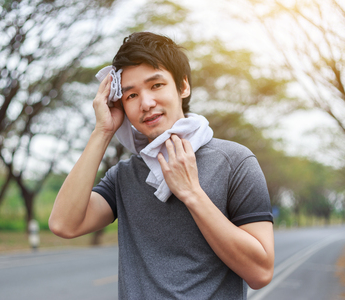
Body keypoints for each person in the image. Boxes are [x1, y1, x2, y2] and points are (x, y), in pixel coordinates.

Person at [49, 32, 274, 299]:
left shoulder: (236, 162)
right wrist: (102, 131)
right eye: (131, 95)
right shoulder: (125, 175)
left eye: (156, 85)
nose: (146, 103)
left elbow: (260, 272)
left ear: (183, 87)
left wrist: (192, 194)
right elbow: (64, 224)